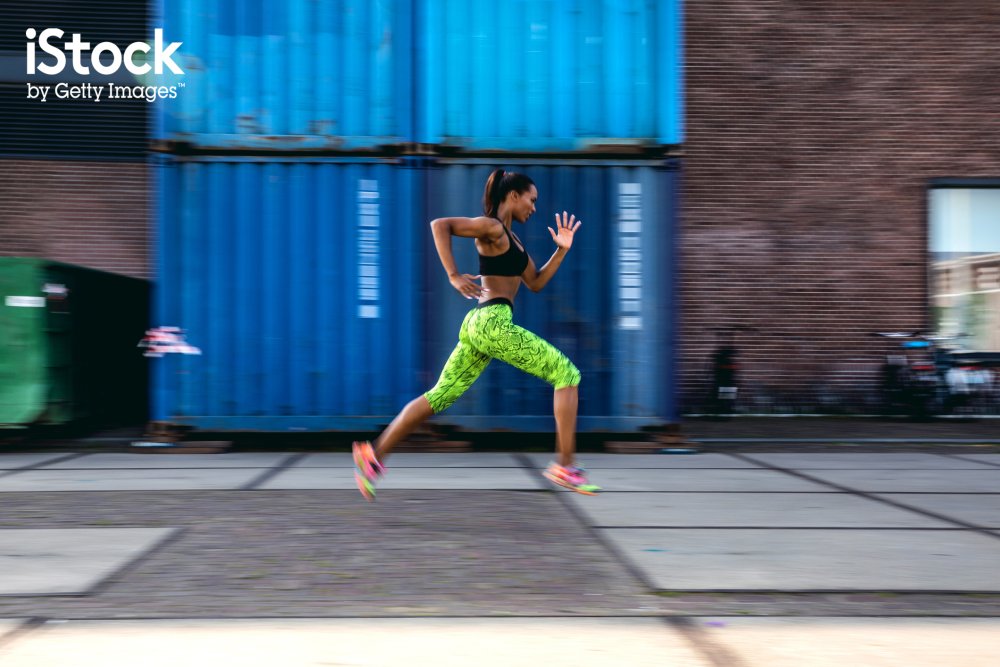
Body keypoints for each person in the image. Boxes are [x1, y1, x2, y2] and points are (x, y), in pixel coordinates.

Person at [352, 168, 600, 500]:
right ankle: (565, 466)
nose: (535, 207)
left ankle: (373, 455)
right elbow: (440, 225)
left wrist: (562, 250)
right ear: (513, 196)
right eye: (532, 199)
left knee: (439, 395)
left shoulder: (513, 241)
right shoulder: (492, 227)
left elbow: (537, 282)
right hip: (492, 324)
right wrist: (454, 275)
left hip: (479, 324)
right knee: (566, 374)